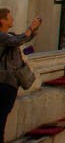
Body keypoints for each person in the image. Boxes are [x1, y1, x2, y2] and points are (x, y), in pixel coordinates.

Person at [0, 10, 41, 141]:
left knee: (3, 116)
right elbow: (17, 40)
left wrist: (34, 29)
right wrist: (30, 28)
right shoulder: (2, 37)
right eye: (9, 17)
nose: (12, 19)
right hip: (3, 83)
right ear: (2, 20)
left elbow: (22, 38)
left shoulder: (9, 35)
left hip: (11, 83)